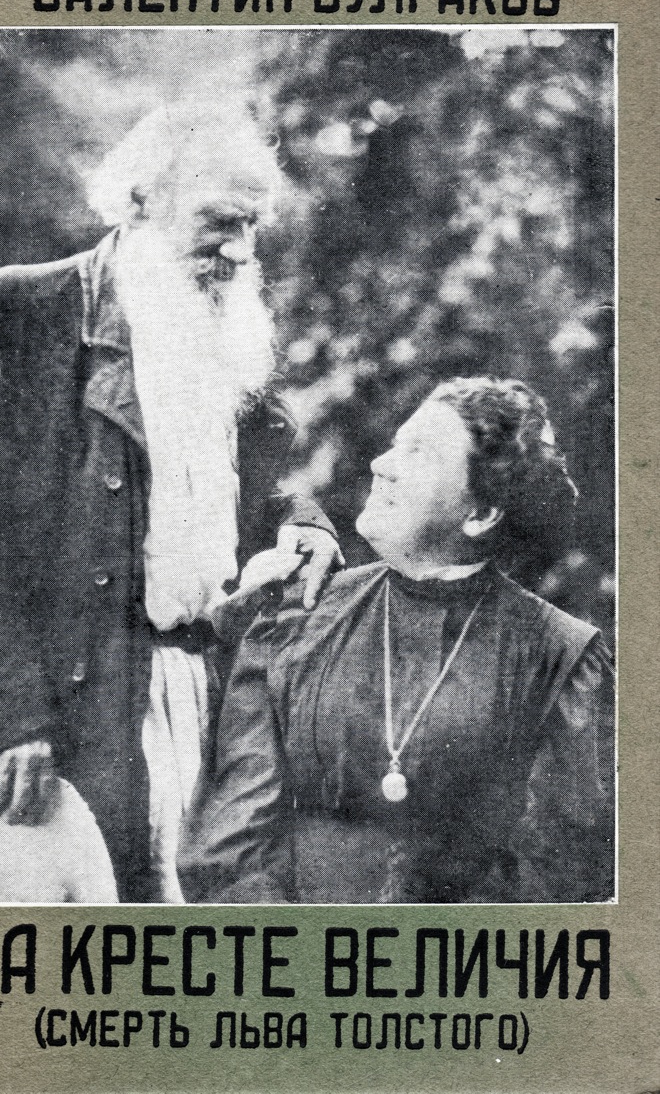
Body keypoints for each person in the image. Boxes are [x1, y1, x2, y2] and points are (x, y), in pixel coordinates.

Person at [0, 102, 341, 903]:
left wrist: (301, 525)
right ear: (139, 200)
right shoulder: (18, 312)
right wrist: (7, 716)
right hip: (75, 715)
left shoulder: (224, 330)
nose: (241, 251)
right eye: (220, 222)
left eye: (253, 226)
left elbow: (252, 489)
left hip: (211, 702)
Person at [179, 377, 615, 905]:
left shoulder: (559, 657)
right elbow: (230, 849)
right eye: (395, 444)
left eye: (418, 453)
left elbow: (552, 876)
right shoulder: (296, 615)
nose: (381, 464)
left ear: (480, 514)